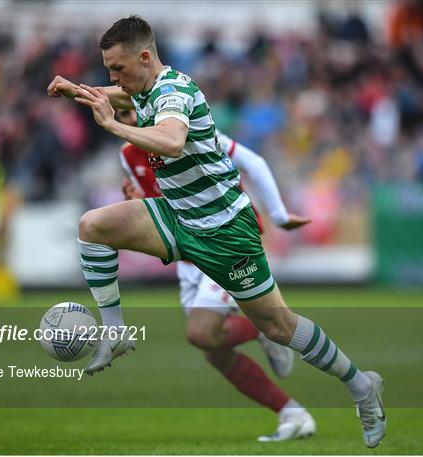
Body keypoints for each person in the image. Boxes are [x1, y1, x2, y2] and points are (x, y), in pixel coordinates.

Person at [47, 16, 386, 448]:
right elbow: (115, 94)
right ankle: (115, 331)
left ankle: (360, 385)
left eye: (118, 68)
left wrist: (112, 125)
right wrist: (75, 89)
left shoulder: (173, 92)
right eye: (108, 70)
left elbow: (170, 142)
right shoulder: (145, 88)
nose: (113, 78)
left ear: (145, 57)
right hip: (179, 217)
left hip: (227, 231)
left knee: (281, 326)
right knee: (92, 226)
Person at [118, 108, 315, 441]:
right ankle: (292, 414)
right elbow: (165, 205)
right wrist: (141, 203)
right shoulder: (128, 154)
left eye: (130, 112)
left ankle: (264, 328)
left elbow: (252, 161)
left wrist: (279, 214)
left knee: (201, 332)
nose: (128, 122)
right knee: (214, 350)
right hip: (189, 252)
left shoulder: (188, 129)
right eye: (120, 116)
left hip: (224, 239)